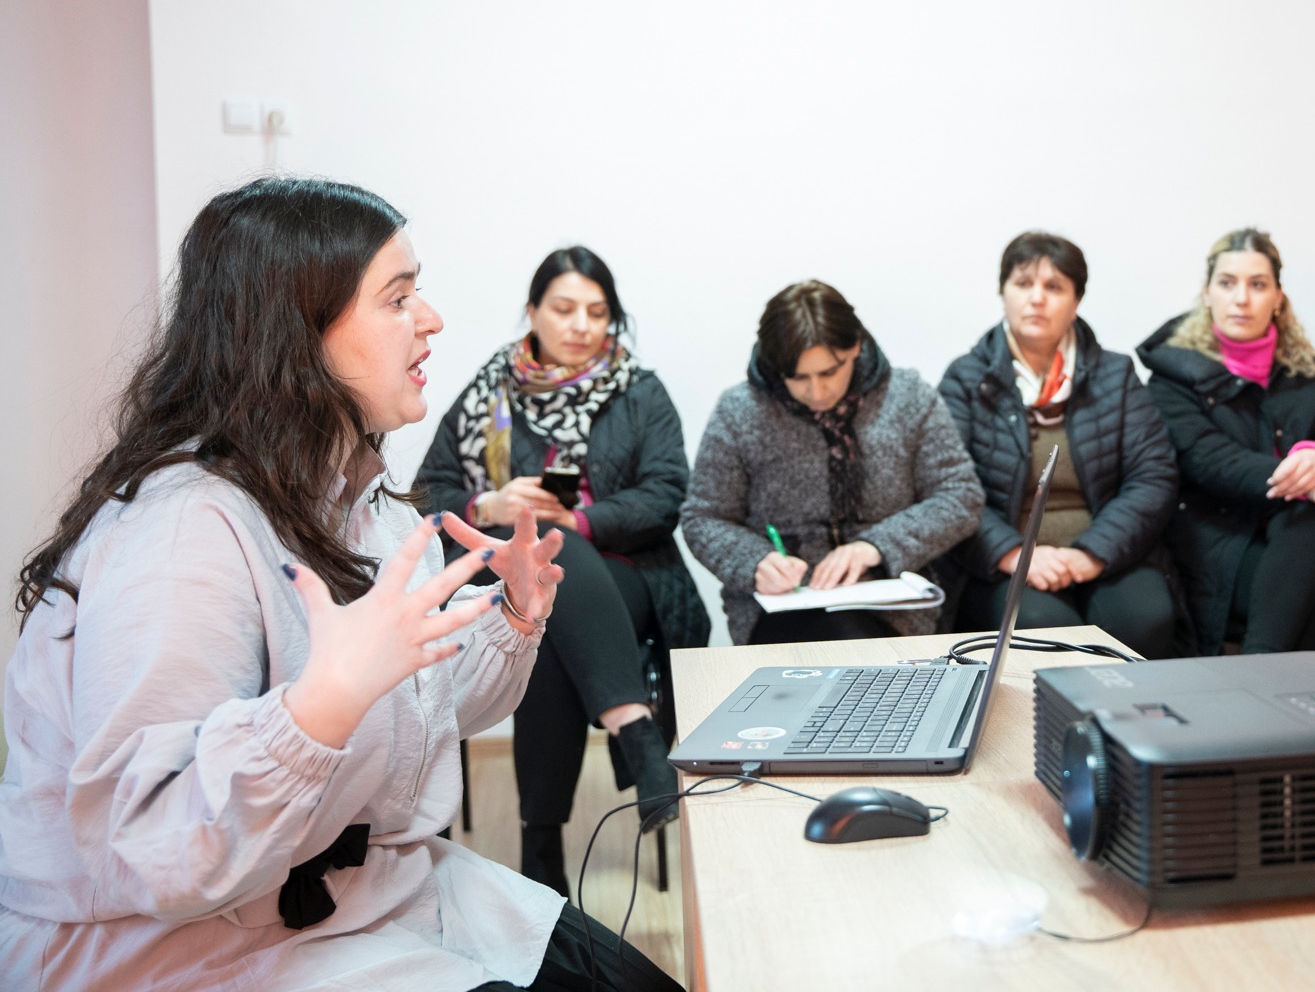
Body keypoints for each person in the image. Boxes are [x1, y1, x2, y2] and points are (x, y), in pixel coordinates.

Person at [0, 178, 679, 991]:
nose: (431, 318)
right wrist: (320, 706)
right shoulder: (182, 529)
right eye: (398, 298)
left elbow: (432, 708)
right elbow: (153, 853)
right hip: (176, 939)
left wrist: (510, 615)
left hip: (351, 886)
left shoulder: (363, 495)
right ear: (297, 331)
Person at [416, 247, 703, 899]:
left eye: (597, 312)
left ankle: (539, 843)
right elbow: (427, 493)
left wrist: (581, 522)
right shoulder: (489, 391)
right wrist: (489, 505)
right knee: (542, 594)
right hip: (518, 578)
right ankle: (636, 734)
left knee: (551, 571)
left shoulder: (640, 391)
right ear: (533, 311)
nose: (581, 325)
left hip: (627, 574)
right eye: (565, 308)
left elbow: (666, 494)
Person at [683, 280, 984, 645]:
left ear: (856, 347)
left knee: (855, 643)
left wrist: (875, 546)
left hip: (893, 605)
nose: (817, 391)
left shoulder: (908, 398)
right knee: (838, 642)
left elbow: (960, 495)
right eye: (798, 378)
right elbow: (704, 516)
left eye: (829, 372)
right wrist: (754, 561)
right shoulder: (740, 411)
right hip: (780, 607)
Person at [939, 232, 1180, 658]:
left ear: (1076, 300)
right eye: (1023, 283)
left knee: (1144, 618)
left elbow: (1153, 476)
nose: (1037, 298)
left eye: (1054, 287)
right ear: (1003, 292)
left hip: (1106, 554)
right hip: (1005, 562)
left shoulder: (1116, 375)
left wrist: (1092, 553)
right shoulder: (966, 378)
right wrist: (1015, 553)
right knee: (1043, 627)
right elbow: (950, 488)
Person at [1137, 228, 1315, 658]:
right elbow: (1208, 460)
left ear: (1278, 298)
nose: (1241, 299)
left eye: (1258, 285)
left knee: (1310, 530)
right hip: (1219, 535)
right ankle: (1289, 681)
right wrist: (1311, 482)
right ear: (1207, 294)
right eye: (1227, 283)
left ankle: (1257, 669)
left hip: (1303, 537)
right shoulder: (1173, 375)